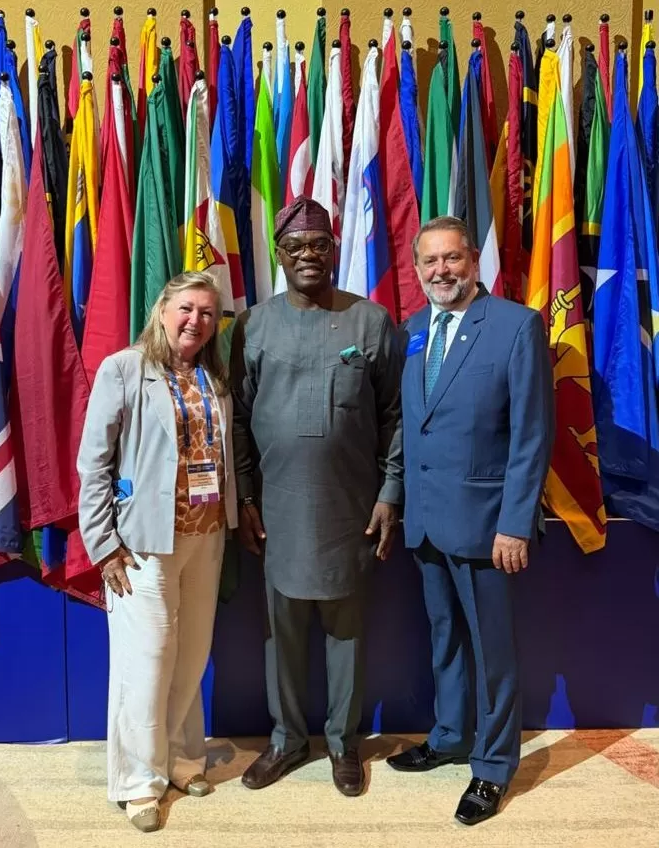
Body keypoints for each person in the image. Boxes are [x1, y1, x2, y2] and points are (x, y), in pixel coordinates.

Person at [231, 196, 403, 797]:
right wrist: (244, 499)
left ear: (334, 250)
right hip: (276, 509)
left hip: (351, 509)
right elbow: (237, 421)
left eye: (319, 245)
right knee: (279, 631)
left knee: (346, 632)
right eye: (295, 247)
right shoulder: (252, 325)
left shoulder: (370, 321)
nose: (308, 255)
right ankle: (286, 740)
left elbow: (395, 416)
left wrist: (391, 493)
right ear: (279, 256)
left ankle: (342, 743)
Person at [387, 217, 554, 825]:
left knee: (492, 650)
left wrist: (515, 522)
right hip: (426, 519)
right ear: (417, 269)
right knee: (445, 637)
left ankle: (493, 765)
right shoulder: (412, 331)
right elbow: (413, 424)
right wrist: (395, 498)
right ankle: (451, 735)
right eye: (429, 261)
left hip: (488, 525)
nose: (441, 271)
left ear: (474, 261)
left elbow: (532, 435)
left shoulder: (515, 325)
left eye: (452, 258)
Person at [77, 273, 238, 833]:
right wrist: (104, 545)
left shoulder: (214, 376)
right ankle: (139, 783)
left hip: (206, 536)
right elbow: (93, 464)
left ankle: (182, 761)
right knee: (146, 662)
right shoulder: (124, 369)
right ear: (162, 309)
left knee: (190, 656)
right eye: (187, 308)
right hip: (142, 544)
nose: (196, 321)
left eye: (208, 313)